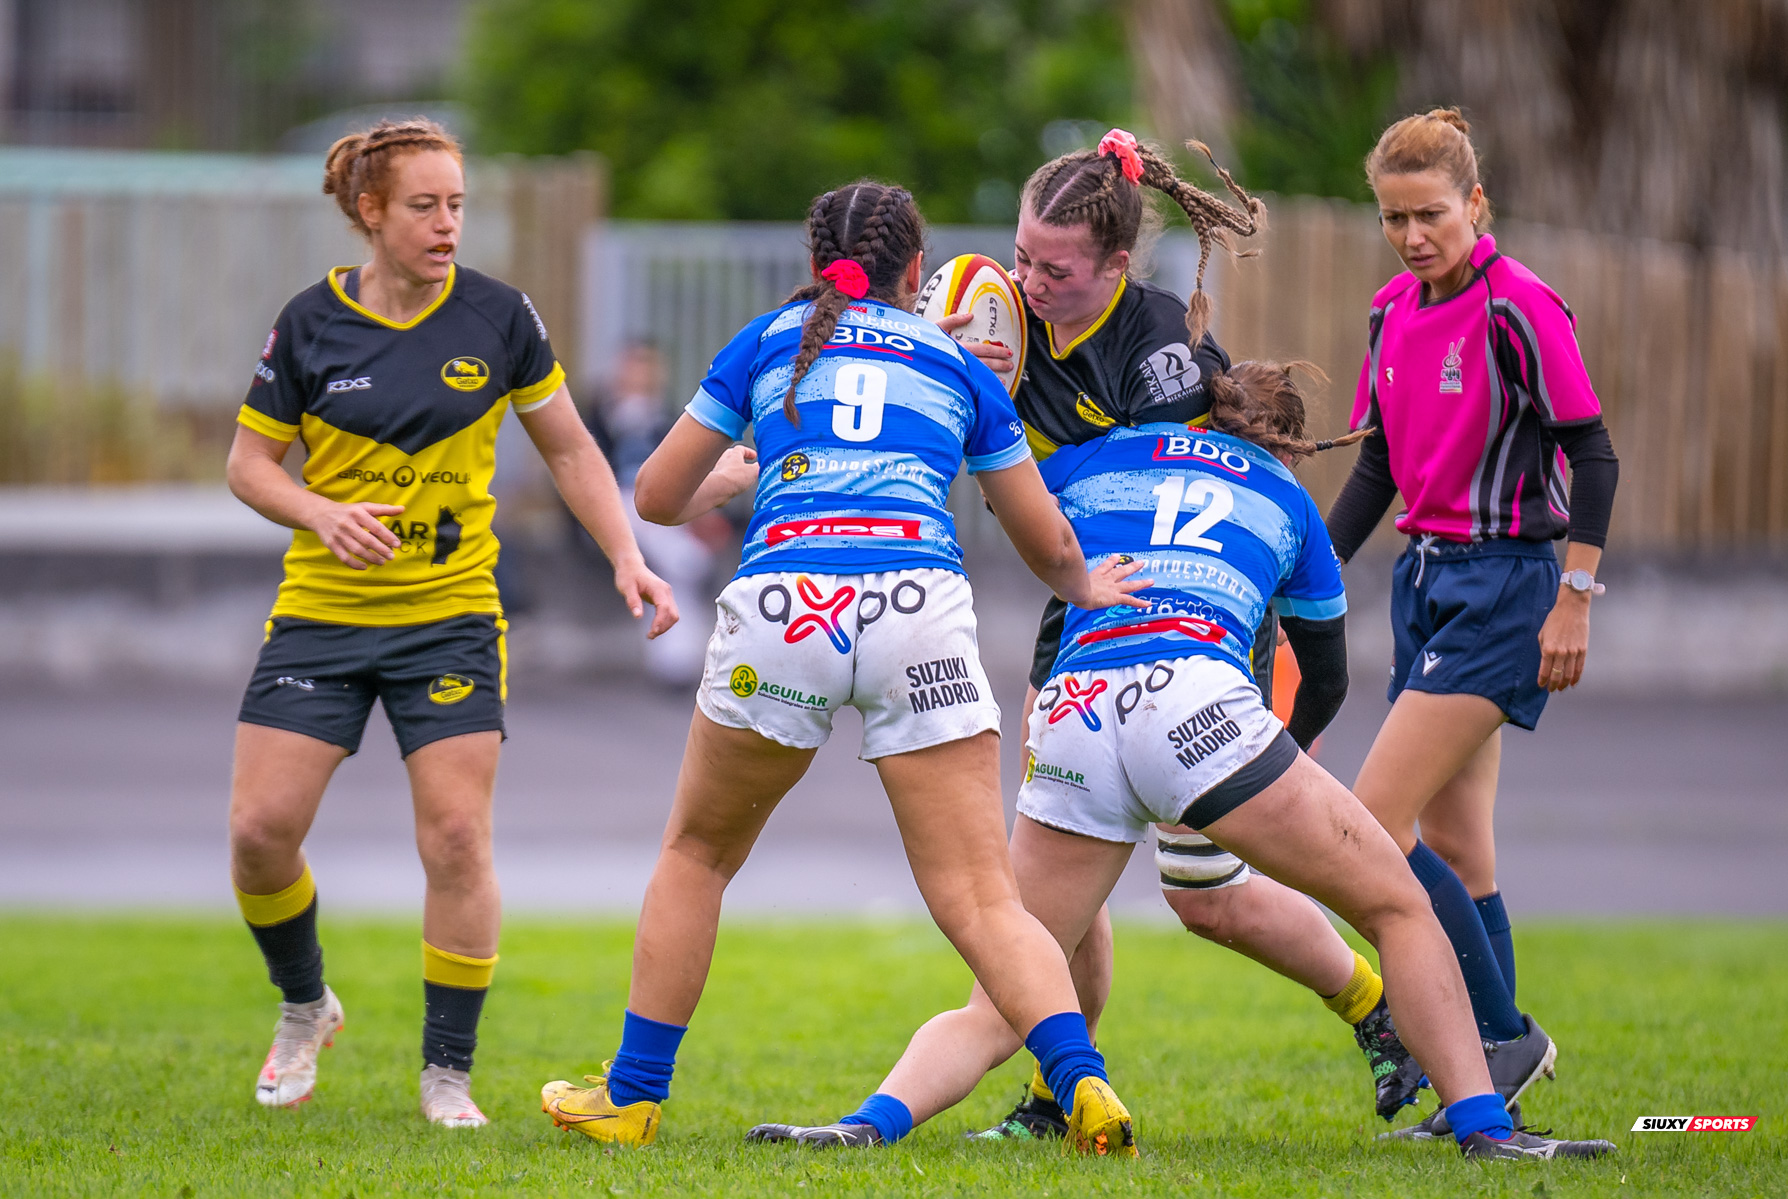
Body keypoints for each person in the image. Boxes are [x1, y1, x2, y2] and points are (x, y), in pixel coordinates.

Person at [750, 361, 1616, 1160]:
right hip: (1196, 707)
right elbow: (1327, 674)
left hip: (1076, 713)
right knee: (1398, 904)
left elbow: (1017, 509)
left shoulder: (1097, 459)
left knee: (1003, 994)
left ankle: (863, 1125)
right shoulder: (1285, 498)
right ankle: (1485, 1129)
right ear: (1281, 445)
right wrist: (1284, 754)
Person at [539, 181, 1152, 1156]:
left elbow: (656, 494)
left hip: (788, 603)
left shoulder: (767, 341)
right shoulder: (961, 363)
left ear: (813, 255)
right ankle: (1085, 1085)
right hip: (921, 613)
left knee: (697, 854)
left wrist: (738, 473)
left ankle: (632, 1095)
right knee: (986, 899)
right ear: (919, 271)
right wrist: (1088, 580)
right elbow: (1043, 541)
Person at [951, 129, 1422, 1138]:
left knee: (1203, 892)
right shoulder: (1005, 323)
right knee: (1068, 866)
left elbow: (1127, 503)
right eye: (1022, 255)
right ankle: (1057, 1094)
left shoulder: (1155, 346)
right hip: (1085, 606)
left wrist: (984, 405)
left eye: (1056, 267)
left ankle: (1379, 1006)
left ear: (1117, 265)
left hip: (1191, 617)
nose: (1028, 280)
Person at [224, 118, 674, 1128]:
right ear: (369, 211)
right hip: (323, 615)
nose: (447, 224)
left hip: (451, 615)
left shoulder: (500, 317)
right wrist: (322, 513)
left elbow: (568, 449)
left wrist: (627, 552)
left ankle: (447, 1075)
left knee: (460, 837)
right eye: (424, 206)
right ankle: (306, 1005)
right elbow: (249, 466)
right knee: (259, 834)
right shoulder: (308, 324)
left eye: (458, 204)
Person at [1325, 109, 1621, 1140]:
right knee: (1458, 842)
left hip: (1507, 586)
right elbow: (1375, 467)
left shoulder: (1520, 305)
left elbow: (1595, 454)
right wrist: (1299, 572)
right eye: (1395, 218)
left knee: (1373, 820)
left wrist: (1575, 597)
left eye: (1432, 215)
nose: (1414, 236)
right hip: (1425, 579)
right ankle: (1495, 1044)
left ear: (1476, 205)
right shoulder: (1388, 313)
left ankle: (1498, 1031)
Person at [582, 340, 731, 686]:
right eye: (636, 365)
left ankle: (675, 658)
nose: (642, 373)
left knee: (667, 574)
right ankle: (677, 653)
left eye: (649, 366)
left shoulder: (665, 416)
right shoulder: (599, 414)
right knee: (678, 562)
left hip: (653, 508)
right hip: (612, 502)